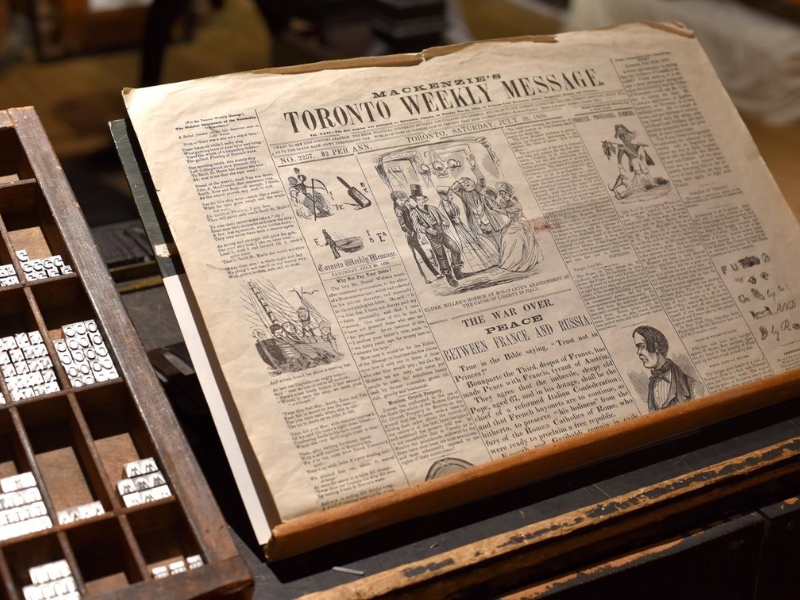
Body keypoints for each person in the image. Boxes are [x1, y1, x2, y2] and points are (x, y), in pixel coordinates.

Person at [632, 326, 705, 412]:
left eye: (642, 346)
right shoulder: (652, 384)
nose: (638, 352)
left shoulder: (694, 387)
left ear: (656, 347)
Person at [408, 184, 462, 288]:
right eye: (419, 199)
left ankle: (456, 268)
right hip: (432, 236)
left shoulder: (432, 208)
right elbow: (416, 226)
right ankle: (449, 276)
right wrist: (427, 230)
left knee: (455, 249)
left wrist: (445, 223)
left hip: (441, 232)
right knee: (441, 256)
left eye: (423, 199)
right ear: (416, 200)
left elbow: (444, 219)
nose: (422, 201)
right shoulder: (414, 212)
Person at [436, 185, 498, 272]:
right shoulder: (441, 207)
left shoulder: (452, 204)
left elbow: (457, 213)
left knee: (473, 242)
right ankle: (470, 268)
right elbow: (444, 221)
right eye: (450, 195)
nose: (452, 196)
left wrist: (458, 219)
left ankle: (485, 263)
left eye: (451, 194)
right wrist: (452, 222)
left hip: (460, 227)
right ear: (444, 196)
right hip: (453, 231)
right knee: (462, 246)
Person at [449, 154, 507, 240]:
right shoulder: (463, 194)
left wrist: (474, 167)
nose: (466, 183)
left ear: (473, 182)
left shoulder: (479, 189)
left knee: (501, 238)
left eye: (468, 181)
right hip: (479, 225)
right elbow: (454, 188)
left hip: (491, 221)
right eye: (464, 183)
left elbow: (481, 178)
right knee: (490, 242)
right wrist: (459, 181)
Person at [392, 190, 440, 283]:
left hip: (416, 232)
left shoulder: (404, 206)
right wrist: (411, 232)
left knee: (426, 253)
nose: (404, 202)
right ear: (397, 200)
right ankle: (428, 277)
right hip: (412, 235)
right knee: (421, 255)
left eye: (404, 200)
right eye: (402, 200)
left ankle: (435, 273)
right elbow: (403, 225)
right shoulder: (398, 209)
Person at [496, 182, 542, 272]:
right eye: (501, 194)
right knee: (504, 237)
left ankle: (517, 262)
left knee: (515, 238)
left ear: (509, 193)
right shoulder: (502, 202)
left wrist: (495, 209)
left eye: (504, 193)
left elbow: (509, 213)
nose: (502, 195)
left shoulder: (516, 203)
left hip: (519, 222)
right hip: (512, 222)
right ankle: (508, 261)